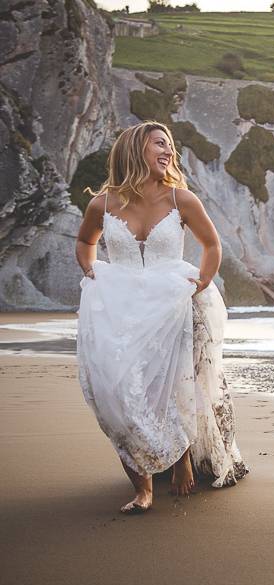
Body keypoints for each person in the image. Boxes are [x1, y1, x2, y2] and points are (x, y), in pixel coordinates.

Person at [75, 121, 247, 514]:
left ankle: (181, 454)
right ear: (136, 151)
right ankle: (143, 485)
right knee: (117, 391)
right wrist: (91, 271)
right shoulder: (102, 203)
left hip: (174, 307)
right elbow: (86, 242)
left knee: (172, 385)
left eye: (169, 145)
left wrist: (200, 283)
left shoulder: (180, 198)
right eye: (159, 144)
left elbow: (211, 244)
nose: (168, 151)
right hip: (120, 310)